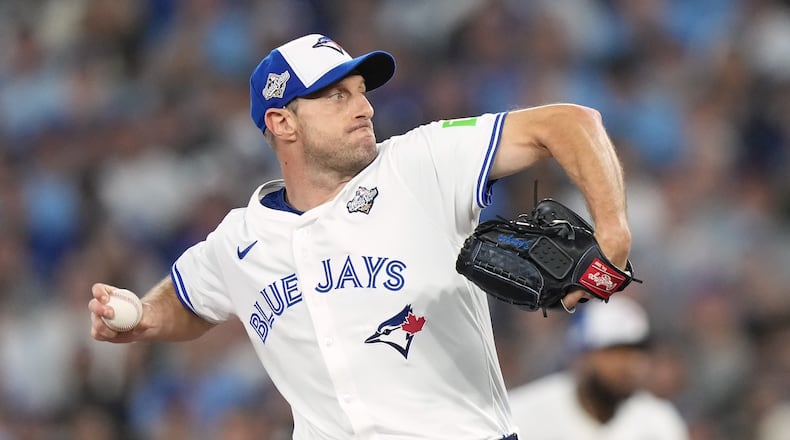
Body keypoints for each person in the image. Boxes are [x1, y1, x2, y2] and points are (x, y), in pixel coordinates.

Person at [89, 33, 634, 439]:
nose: (365, 106)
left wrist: (612, 234)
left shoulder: (419, 164)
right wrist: (139, 316)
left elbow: (570, 123)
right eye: (337, 96)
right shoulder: (239, 240)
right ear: (282, 122)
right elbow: (187, 300)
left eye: (361, 92)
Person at [508, 296, 688, 440]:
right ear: (582, 356)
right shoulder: (523, 413)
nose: (630, 364)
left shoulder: (659, 421)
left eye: (636, 352)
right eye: (615, 352)